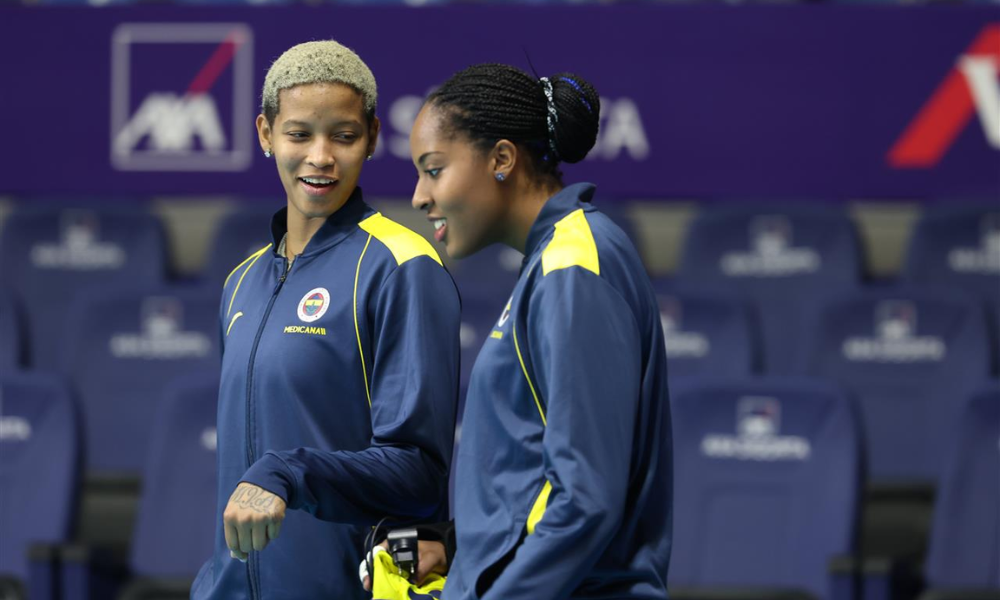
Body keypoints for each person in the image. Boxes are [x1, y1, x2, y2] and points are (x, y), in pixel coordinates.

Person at [191, 40, 461, 600]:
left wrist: (288, 474)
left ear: (372, 137)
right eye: (298, 134)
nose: (321, 157)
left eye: (343, 136)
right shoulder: (239, 282)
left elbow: (418, 473)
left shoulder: (401, 265)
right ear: (265, 134)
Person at [402, 63, 673, 599]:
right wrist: (460, 549)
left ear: (502, 159)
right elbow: (538, 488)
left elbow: (585, 501)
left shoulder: (574, 268)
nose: (418, 196)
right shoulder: (554, 262)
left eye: (433, 170)